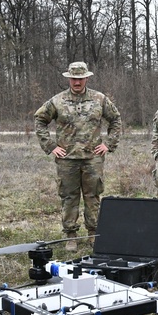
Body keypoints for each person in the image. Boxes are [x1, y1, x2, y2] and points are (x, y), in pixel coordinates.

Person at [34, 61, 122, 253]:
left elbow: (115, 120)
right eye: (74, 78)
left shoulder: (99, 99)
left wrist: (108, 144)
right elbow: (40, 120)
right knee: (69, 197)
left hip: (93, 158)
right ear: (68, 78)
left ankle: (93, 234)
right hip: (67, 159)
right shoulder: (57, 101)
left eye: (80, 78)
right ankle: (71, 235)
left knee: (93, 196)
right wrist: (50, 146)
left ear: (87, 78)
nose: (77, 82)